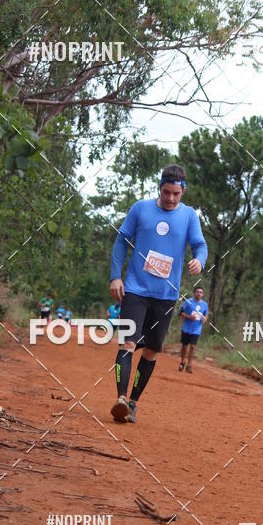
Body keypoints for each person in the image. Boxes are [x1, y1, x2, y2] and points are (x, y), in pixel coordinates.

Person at [109, 164, 207, 424]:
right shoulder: (140, 209)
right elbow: (121, 240)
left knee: (151, 350)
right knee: (128, 344)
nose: (171, 198)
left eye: (176, 193)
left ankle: (132, 403)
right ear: (159, 187)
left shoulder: (189, 216)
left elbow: (200, 245)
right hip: (135, 290)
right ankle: (120, 398)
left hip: (166, 296)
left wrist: (200, 260)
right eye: (166, 192)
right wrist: (115, 276)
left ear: (183, 191)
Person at [179, 284, 208, 373]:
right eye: (197, 292)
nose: (199, 294)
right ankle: (182, 361)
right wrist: (189, 317)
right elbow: (180, 312)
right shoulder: (188, 302)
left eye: (201, 292)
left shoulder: (204, 304)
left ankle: (189, 365)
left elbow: (206, 314)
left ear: (202, 294)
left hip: (196, 329)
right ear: (194, 293)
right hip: (186, 328)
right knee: (184, 346)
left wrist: (205, 319)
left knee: (192, 346)